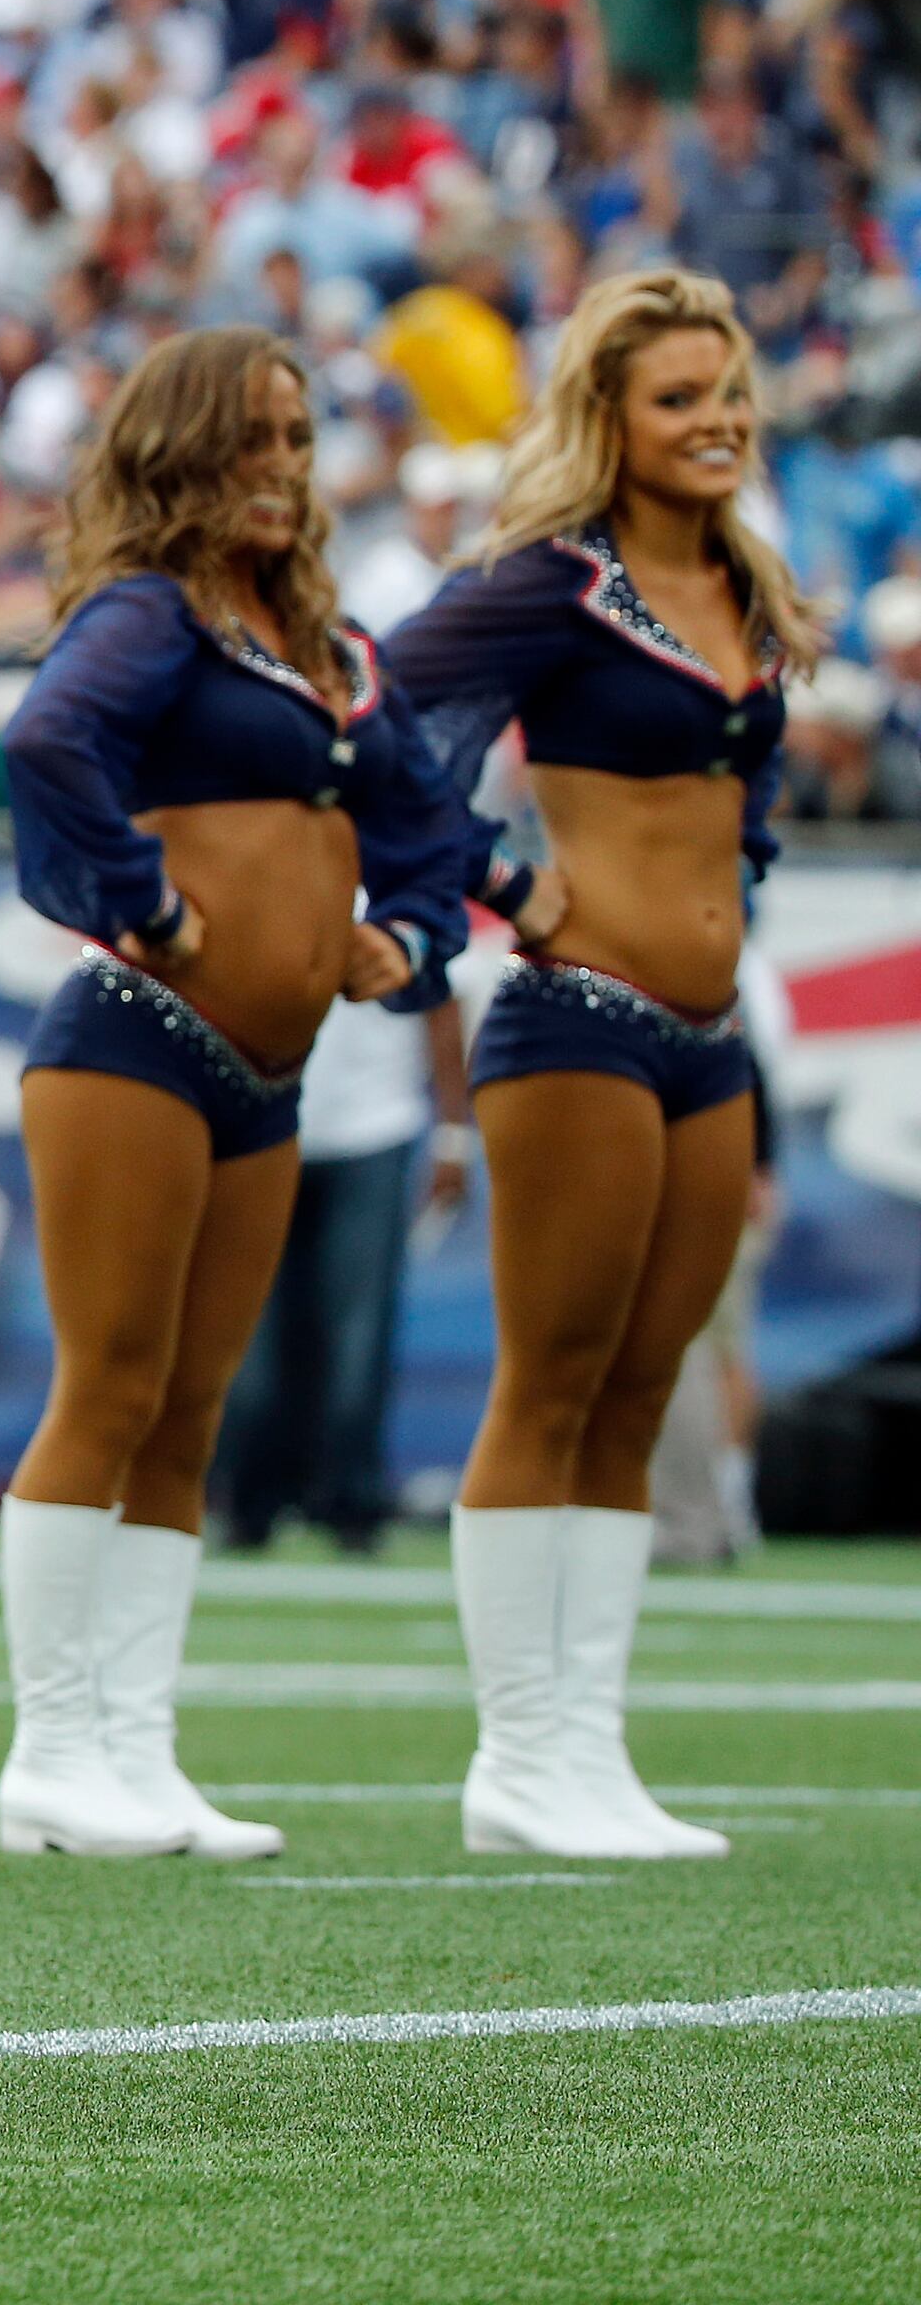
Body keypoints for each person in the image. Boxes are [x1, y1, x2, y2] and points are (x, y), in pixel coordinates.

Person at [0, 327, 473, 1862]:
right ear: (182, 454)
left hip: (277, 1073)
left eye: (295, 438)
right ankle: (52, 1753)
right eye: (248, 440)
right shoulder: (151, 614)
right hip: (135, 1037)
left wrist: (409, 931)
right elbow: (51, 739)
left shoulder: (325, 645)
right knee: (113, 1387)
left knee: (190, 1412)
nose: (278, 467)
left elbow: (423, 811)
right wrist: (143, 903)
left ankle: (141, 1748)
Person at [384, 267, 815, 1861]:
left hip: (709, 1039)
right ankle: (518, 1756)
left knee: (646, 1385)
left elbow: (734, 800)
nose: (716, 424)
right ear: (608, 421)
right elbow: (377, 715)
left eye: (728, 396)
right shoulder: (548, 581)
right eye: (679, 400)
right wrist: (493, 886)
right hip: (577, 1025)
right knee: (552, 1379)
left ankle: (591, 1748)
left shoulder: (745, 583)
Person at [211, 997, 474, 1555]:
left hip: (373, 1125)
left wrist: (454, 1131)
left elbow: (440, 996)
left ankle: (352, 1504)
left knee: (358, 1335)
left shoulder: (395, 905)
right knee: (247, 1333)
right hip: (259, 1119)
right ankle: (249, 1501)